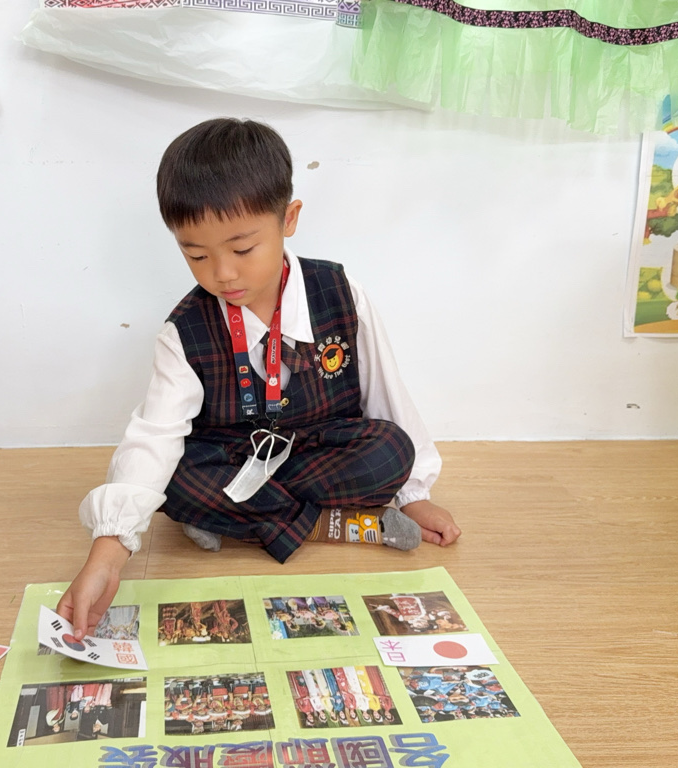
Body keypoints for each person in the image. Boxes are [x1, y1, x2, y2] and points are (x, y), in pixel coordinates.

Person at [58, 117, 460, 637]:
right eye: (196, 254)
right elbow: (155, 435)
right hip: (233, 454)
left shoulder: (341, 293)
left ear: (288, 219)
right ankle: (329, 523)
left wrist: (413, 493)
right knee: (177, 480)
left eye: (242, 249)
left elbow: (386, 393)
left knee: (389, 450)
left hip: (320, 447)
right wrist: (108, 552)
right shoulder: (184, 330)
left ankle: (238, 520)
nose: (222, 273)